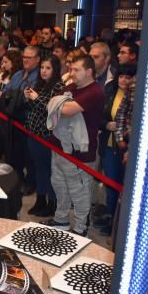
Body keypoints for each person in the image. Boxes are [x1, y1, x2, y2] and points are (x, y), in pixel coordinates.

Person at [45, 55, 104, 236]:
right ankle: (61, 219)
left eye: (76, 70)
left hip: (79, 154)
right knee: (60, 186)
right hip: (59, 148)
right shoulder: (71, 88)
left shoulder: (94, 92)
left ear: (89, 72)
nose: (72, 73)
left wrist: (57, 103)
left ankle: (80, 227)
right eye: (71, 69)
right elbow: (51, 101)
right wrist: (57, 103)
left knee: (79, 192)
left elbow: (67, 110)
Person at [94, 64, 137, 235]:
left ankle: (119, 224)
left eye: (128, 77)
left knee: (123, 186)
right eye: (121, 77)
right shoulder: (109, 91)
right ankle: (110, 219)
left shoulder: (135, 95)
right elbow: (99, 116)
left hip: (127, 147)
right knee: (111, 184)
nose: (124, 80)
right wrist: (106, 125)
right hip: (109, 145)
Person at [24, 55, 64, 217]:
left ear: (54, 70)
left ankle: (52, 203)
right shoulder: (40, 84)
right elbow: (34, 109)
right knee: (39, 169)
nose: (44, 71)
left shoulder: (59, 86)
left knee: (50, 171)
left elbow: (53, 111)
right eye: (42, 68)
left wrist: (37, 98)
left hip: (47, 136)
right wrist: (29, 98)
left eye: (48, 68)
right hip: (33, 133)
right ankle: (40, 200)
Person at [0, 46, 41, 195]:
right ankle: (18, 180)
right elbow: (5, 93)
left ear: (37, 59)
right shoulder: (17, 74)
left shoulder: (38, 77)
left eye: (29, 58)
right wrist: (16, 95)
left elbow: (26, 97)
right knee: (14, 154)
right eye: (24, 57)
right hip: (12, 120)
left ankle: (30, 184)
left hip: (27, 121)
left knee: (28, 156)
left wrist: (14, 95)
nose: (26, 60)